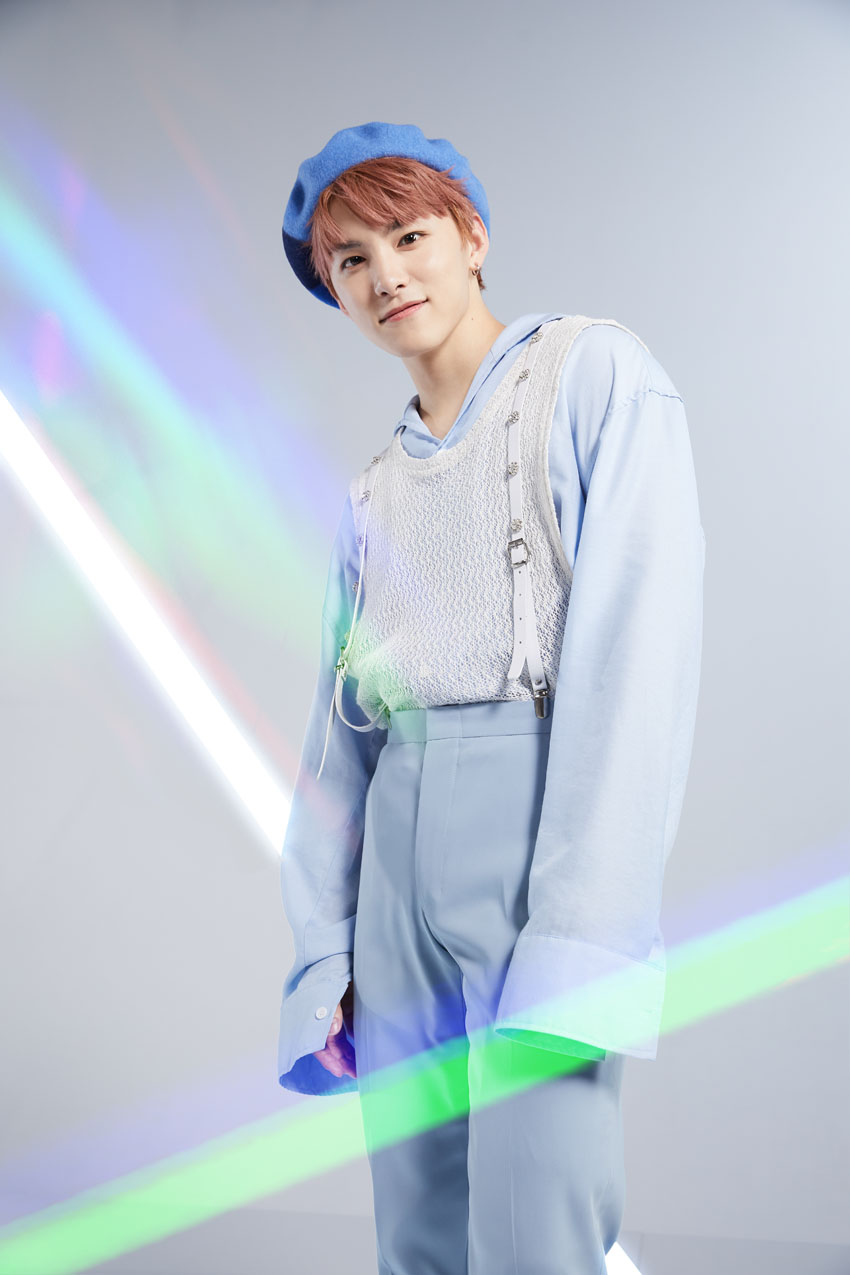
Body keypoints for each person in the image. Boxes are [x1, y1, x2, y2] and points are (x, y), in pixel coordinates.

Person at [277, 121, 705, 1275]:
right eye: (351, 259)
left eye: (408, 236)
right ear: (333, 289)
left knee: (532, 1226)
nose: (386, 275)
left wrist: (581, 930)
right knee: (417, 1230)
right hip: (394, 863)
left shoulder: (591, 374)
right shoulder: (374, 490)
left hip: (536, 839)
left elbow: (636, 658)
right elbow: (335, 745)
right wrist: (330, 949)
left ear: (471, 236)